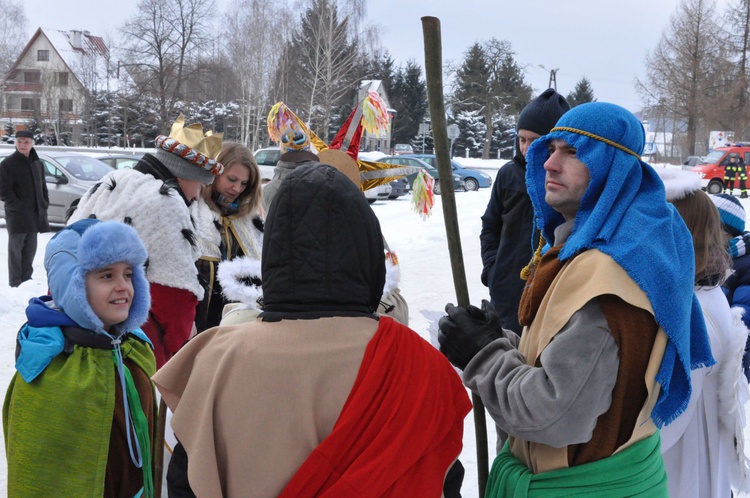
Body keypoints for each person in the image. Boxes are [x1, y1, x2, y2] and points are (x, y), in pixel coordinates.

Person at [438, 102, 712, 495]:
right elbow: (578, 367)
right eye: (551, 150)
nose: (549, 163)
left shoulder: (612, 274)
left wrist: (484, 355)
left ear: (611, 169)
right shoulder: (603, 248)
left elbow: (553, 414)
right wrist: (500, 341)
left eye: (573, 152)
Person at [153, 163, 471, 497]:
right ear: (368, 251)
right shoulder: (419, 365)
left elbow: (184, 483)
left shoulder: (218, 360)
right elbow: (442, 479)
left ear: (273, 251)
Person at [3, 219, 156, 497]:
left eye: (128, 274)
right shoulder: (49, 367)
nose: (123, 286)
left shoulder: (134, 350)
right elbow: (37, 472)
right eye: (107, 275)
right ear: (72, 284)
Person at [68, 114, 224, 367]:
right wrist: (176, 345)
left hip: (75, 331)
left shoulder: (111, 180)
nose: (196, 196)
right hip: (134, 345)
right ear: (185, 175)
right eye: (199, 185)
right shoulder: (166, 201)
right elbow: (175, 292)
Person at [655, 168, 750, 497]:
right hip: (699, 451)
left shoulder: (694, 308)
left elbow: (673, 417)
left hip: (684, 461)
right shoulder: (705, 290)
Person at [479, 88, 569, 334]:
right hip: (506, 293)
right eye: (522, 139)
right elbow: (490, 226)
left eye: (535, 140)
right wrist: (492, 269)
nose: (527, 148)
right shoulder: (508, 174)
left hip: (551, 294)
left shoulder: (568, 180)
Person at [190, 142, 264, 332]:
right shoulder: (194, 211)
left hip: (239, 323)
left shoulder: (249, 218)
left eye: (244, 183)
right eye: (232, 179)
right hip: (200, 321)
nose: (237, 188)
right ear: (215, 173)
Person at [0, 129, 50, 287]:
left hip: (35, 215)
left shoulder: (37, 163)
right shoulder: (8, 164)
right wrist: (17, 206)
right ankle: (15, 283)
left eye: (26, 142)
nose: (22, 145)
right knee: (16, 252)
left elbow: (43, 186)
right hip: (17, 215)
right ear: (15, 143)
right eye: (19, 141)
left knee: (30, 250)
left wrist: (44, 202)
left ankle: (26, 282)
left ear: (32, 144)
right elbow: (3, 189)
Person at [711, 192, 750, 381]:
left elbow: (743, 317)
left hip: (727, 366)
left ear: (725, 231)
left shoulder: (744, 264)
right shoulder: (710, 258)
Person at [261, 129, 319, 215]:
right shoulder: (326, 180)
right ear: (308, 148)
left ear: (281, 150)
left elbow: (269, 225)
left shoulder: (269, 190)